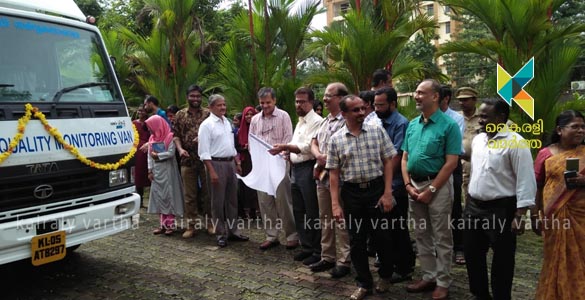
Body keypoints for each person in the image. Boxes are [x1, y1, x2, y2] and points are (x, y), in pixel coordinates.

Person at [464, 98, 536, 300]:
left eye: (485, 116)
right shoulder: (479, 140)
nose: (480, 120)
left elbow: (525, 180)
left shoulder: (516, 143)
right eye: (479, 116)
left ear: (501, 117)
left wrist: (520, 215)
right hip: (474, 206)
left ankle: (501, 296)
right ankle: (480, 294)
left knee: (502, 258)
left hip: (501, 208)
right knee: (472, 254)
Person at [327, 95, 397, 300]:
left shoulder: (376, 131)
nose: (361, 113)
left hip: (376, 190)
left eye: (362, 109)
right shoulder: (336, 139)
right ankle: (364, 283)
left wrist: (387, 192)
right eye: (355, 110)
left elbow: (388, 161)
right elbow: (333, 174)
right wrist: (335, 205)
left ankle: (385, 276)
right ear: (344, 114)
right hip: (351, 194)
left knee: (382, 237)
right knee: (356, 241)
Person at [401, 79, 461, 300]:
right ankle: (428, 275)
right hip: (414, 187)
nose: (416, 96)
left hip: (438, 186)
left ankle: (443, 282)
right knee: (421, 234)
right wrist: (408, 185)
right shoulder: (412, 125)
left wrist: (431, 190)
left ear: (435, 96)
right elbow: (404, 157)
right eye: (416, 92)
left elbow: (451, 163)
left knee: (442, 236)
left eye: (421, 92)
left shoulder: (449, 125)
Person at [534, 110, 585, 300]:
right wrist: (534, 215)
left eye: (583, 127)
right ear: (559, 130)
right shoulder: (545, 154)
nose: (580, 131)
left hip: (582, 217)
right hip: (554, 217)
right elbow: (537, 186)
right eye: (575, 127)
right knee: (554, 259)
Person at [269, 87, 323, 265]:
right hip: (296, 169)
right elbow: (295, 144)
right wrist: (287, 153)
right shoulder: (300, 121)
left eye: (302, 101)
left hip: (308, 169)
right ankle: (306, 247)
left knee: (312, 211)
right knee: (299, 211)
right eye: (297, 101)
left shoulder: (317, 121)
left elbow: (308, 147)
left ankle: (317, 250)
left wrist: (285, 147)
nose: (298, 104)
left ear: (312, 102)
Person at [309, 82, 352, 278]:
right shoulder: (325, 121)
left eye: (329, 96)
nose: (325, 99)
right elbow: (314, 141)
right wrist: (318, 155)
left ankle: (344, 260)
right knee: (324, 217)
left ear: (341, 98)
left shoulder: (348, 121)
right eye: (325, 96)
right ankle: (327, 256)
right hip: (322, 177)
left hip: (340, 178)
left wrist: (327, 159)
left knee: (340, 219)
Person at [373, 87, 415, 283]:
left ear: (392, 104)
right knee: (383, 228)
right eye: (375, 104)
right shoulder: (374, 121)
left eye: (381, 105)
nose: (376, 108)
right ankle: (387, 261)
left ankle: (405, 267)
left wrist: (384, 179)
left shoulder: (401, 124)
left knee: (397, 228)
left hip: (395, 184)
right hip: (378, 183)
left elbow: (397, 156)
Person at [249, 87, 298, 251]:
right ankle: (271, 236)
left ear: (274, 101)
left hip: (279, 163)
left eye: (268, 102)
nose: (265, 106)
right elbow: (252, 142)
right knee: (265, 202)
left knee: (283, 200)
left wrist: (280, 154)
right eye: (262, 103)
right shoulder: (255, 120)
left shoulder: (284, 116)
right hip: (262, 166)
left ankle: (291, 235)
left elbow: (288, 139)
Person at [198, 94, 249, 248]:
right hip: (216, 164)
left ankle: (234, 232)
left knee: (232, 199)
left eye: (224, 104)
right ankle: (221, 233)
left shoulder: (226, 122)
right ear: (211, 107)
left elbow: (230, 145)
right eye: (219, 105)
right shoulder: (206, 125)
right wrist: (212, 171)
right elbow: (203, 152)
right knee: (217, 202)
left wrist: (237, 162)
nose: (223, 107)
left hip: (230, 164)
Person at [172, 84, 212, 238]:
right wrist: (180, 149)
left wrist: (202, 139)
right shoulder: (180, 115)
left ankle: (210, 223)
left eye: (198, 96)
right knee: (190, 195)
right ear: (187, 97)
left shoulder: (208, 114)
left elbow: (214, 133)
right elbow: (175, 135)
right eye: (192, 96)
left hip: (205, 160)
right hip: (187, 160)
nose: (195, 99)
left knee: (207, 194)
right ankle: (191, 226)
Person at [439, 85, 466, 265]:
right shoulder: (423, 119)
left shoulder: (456, 119)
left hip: (452, 165)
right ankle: (438, 247)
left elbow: (453, 146)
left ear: (445, 98)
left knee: (455, 208)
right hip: (432, 168)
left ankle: (459, 248)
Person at [145, 115, 184, 235]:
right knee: (159, 197)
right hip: (156, 172)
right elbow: (149, 156)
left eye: (151, 127)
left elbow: (171, 153)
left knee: (168, 196)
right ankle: (162, 224)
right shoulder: (152, 138)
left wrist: (159, 156)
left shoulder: (170, 137)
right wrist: (150, 170)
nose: (150, 130)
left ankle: (170, 225)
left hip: (168, 171)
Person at [457, 87, 481, 206]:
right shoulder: (456, 118)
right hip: (463, 162)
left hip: (480, 162)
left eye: (465, 100)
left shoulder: (483, 116)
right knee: (465, 192)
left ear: (474, 100)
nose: (462, 103)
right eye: (460, 100)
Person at [236, 106, 260, 220]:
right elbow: (235, 148)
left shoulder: (259, 128)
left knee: (257, 186)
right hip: (246, 161)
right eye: (247, 114)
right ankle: (248, 211)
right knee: (246, 186)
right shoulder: (240, 131)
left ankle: (257, 209)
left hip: (257, 160)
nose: (249, 117)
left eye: (251, 114)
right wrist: (245, 148)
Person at [133, 105, 151, 209]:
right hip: (137, 151)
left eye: (142, 111)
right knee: (138, 175)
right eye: (139, 111)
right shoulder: (134, 123)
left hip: (148, 149)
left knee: (149, 173)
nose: (140, 113)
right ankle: (140, 200)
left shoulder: (150, 123)